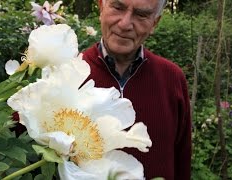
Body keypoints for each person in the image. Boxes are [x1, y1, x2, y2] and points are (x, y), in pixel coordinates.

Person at [82, 0, 192, 179]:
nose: (125, 24)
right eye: (118, 7)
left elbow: (182, 161)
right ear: (101, 6)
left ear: (154, 23)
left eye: (141, 15)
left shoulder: (172, 79)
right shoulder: (70, 73)